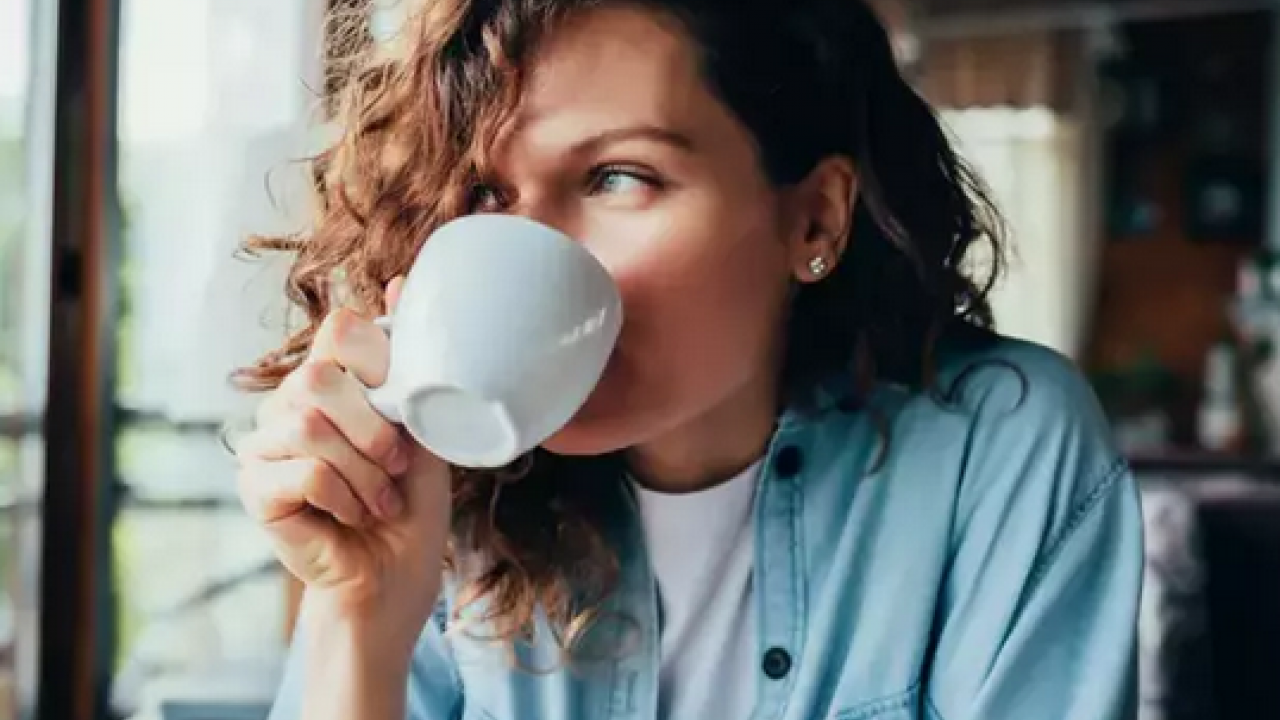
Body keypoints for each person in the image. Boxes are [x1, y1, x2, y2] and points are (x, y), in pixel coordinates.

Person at [232, 0, 1144, 718]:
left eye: (617, 177)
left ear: (814, 220)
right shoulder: (439, 494)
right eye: (484, 193)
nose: (527, 250)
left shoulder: (998, 448)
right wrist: (360, 620)